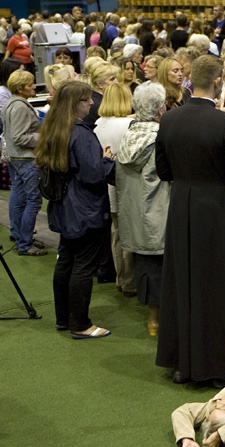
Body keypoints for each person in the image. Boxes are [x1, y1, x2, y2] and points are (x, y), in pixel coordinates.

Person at [154, 55, 225, 385]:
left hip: (183, 209)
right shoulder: (224, 123)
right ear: (218, 82)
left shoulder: (170, 120)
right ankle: (221, 364)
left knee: (185, 282)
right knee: (220, 284)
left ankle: (183, 362)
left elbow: (163, 171)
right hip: (217, 210)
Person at [34, 80, 115, 339]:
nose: (91, 102)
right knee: (83, 265)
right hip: (85, 208)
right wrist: (107, 160)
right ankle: (80, 324)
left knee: (67, 259)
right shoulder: (80, 133)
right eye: (85, 99)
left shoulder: (53, 128)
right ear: (73, 104)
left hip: (65, 207)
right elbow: (93, 175)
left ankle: (64, 318)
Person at [116, 82, 170, 337]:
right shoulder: (163, 138)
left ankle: (153, 320)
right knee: (164, 268)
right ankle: (164, 320)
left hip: (134, 215)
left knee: (146, 268)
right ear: (160, 110)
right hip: (160, 214)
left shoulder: (127, 135)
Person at [93, 83, 137, 298]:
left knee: (116, 235)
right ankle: (129, 282)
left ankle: (122, 279)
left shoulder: (98, 124)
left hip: (107, 188)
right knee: (128, 236)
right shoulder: (130, 124)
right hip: (126, 187)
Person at [1, 70, 45, 256]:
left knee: (18, 198)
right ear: (20, 88)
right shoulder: (20, 106)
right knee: (33, 200)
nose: (34, 86)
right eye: (30, 84)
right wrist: (43, 137)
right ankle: (25, 243)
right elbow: (19, 137)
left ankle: (19, 235)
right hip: (25, 158)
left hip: (14, 157)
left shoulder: (11, 103)